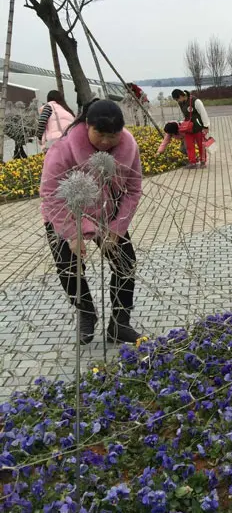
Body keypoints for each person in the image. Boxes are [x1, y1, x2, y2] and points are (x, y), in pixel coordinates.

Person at [39, 99, 142, 345]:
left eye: (112, 136)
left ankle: (119, 324)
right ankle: (86, 314)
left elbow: (133, 190)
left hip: (108, 213)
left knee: (126, 264)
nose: (105, 142)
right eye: (100, 134)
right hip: (65, 214)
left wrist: (117, 229)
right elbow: (50, 194)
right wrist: (73, 234)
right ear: (87, 125)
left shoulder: (129, 147)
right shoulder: (64, 148)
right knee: (69, 268)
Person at [171, 89, 211, 168]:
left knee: (201, 145)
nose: (177, 101)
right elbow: (185, 115)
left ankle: (203, 161)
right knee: (189, 145)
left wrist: (206, 126)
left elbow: (203, 113)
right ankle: (192, 162)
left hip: (198, 127)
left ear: (181, 96)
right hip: (188, 128)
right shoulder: (181, 103)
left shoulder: (196, 101)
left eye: (177, 99)